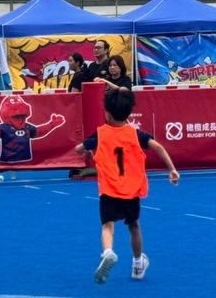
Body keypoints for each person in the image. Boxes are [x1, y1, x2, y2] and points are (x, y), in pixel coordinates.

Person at [75, 87, 179, 284]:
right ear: (129, 112)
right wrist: (172, 169)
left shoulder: (100, 134)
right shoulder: (135, 134)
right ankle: (138, 263)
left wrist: (88, 150)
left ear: (106, 112)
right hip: (131, 190)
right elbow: (158, 147)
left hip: (109, 189)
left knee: (107, 225)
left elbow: (78, 148)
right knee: (133, 226)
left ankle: (107, 252)